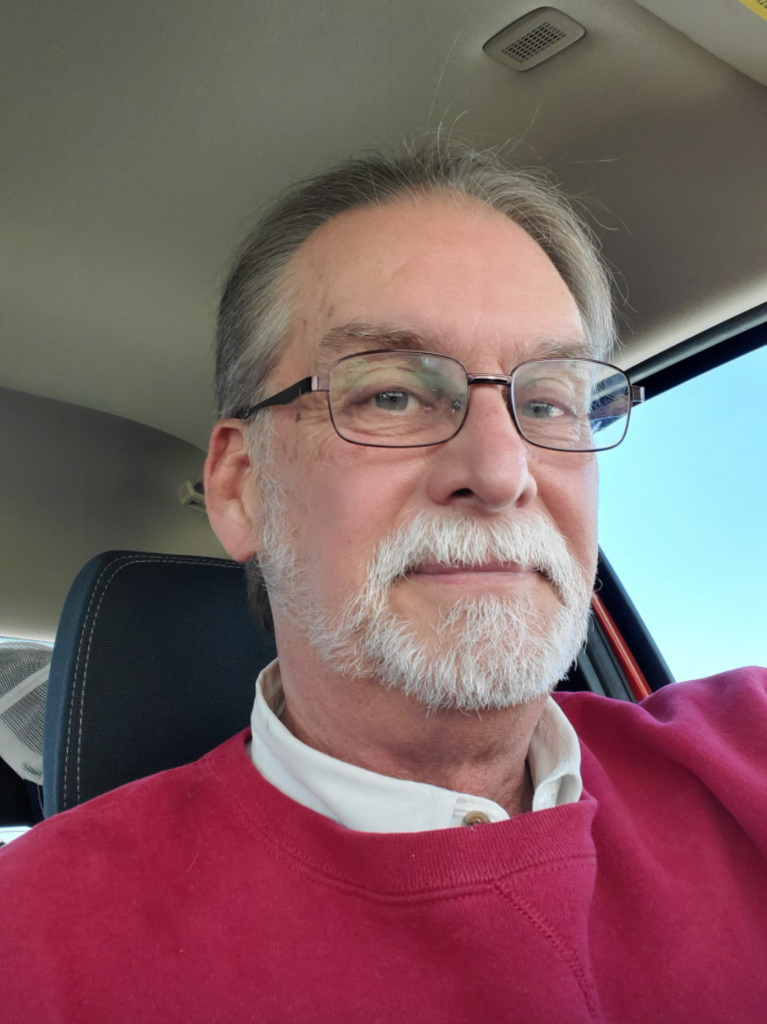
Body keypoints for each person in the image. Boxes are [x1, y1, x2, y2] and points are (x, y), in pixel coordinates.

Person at [1, 140, 766, 1023]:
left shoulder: (743, 749)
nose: (501, 470)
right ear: (242, 489)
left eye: (546, 403)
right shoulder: (34, 945)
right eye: (391, 394)